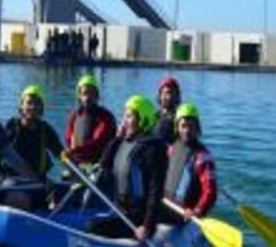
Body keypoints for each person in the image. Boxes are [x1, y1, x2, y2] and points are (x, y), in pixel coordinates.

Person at [91, 95, 167, 242]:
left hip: (138, 218)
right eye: (124, 116)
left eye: (130, 116)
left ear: (143, 119)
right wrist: (117, 138)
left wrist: (147, 226)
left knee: (92, 227)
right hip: (121, 211)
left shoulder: (153, 148)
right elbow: (104, 163)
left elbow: (155, 190)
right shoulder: (126, 142)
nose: (125, 121)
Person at [163, 103, 218, 221]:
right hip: (166, 206)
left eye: (191, 126)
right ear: (177, 127)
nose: (187, 130)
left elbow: (210, 191)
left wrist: (197, 210)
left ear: (197, 128)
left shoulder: (203, 157)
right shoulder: (172, 149)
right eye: (183, 126)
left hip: (185, 215)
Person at [5, 84, 65, 180]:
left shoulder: (45, 130)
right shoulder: (11, 127)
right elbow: (1, 152)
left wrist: (73, 165)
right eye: (29, 103)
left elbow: (59, 152)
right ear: (21, 107)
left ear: (41, 108)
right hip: (14, 180)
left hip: (39, 180)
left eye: (37, 103)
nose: (33, 107)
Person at [64, 74, 117, 167]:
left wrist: (75, 150)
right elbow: (68, 138)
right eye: (84, 93)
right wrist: (70, 153)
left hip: (97, 166)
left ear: (97, 95)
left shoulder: (106, 117)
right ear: (79, 96)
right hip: (77, 165)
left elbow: (98, 141)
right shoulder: (75, 115)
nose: (87, 97)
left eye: (91, 93)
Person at [155, 76, 182, 143]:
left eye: (172, 93)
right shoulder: (154, 116)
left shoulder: (180, 119)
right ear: (160, 96)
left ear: (177, 96)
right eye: (165, 93)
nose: (169, 97)